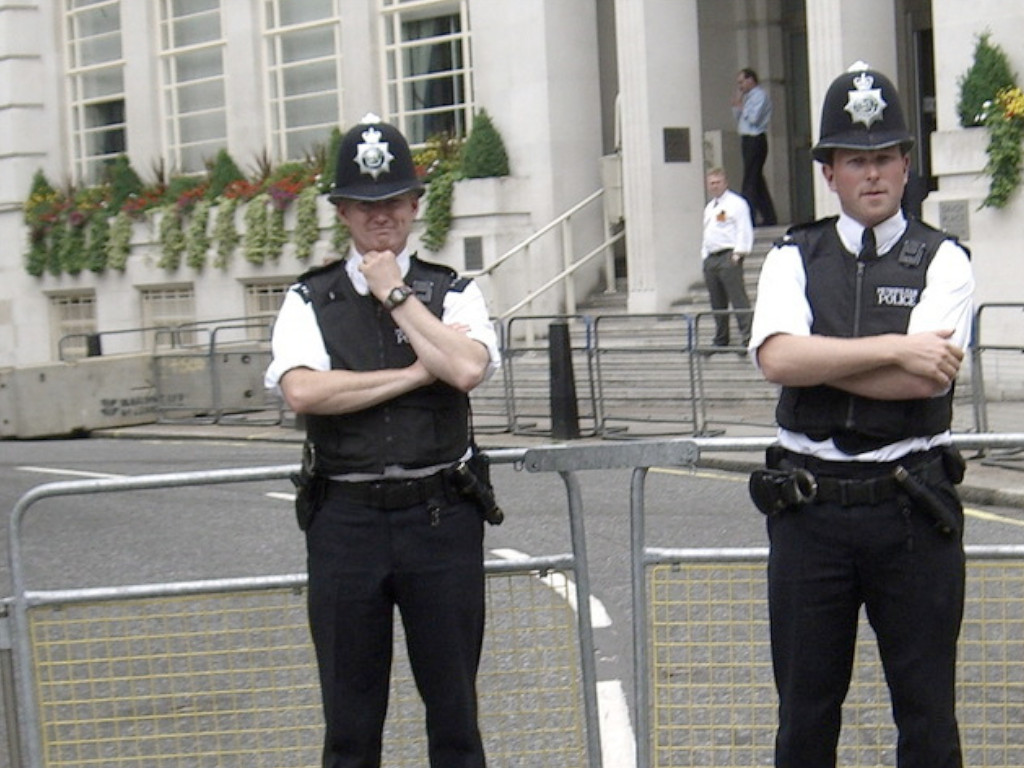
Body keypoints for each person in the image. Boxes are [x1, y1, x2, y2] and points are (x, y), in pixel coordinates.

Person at [748, 62, 974, 768]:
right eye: (855, 160)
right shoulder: (793, 254)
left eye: (883, 158)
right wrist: (894, 348)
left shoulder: (945, 259)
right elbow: (779, 361)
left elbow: (924, 384)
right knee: (806, 718)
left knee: (928, 714)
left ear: (906, 165)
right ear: (829, 172)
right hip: (808, 512)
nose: (871, 174)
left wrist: (831, 361)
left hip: (910, 507)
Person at [265, 113, 500, 768]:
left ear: (415, 205)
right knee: (350, 725)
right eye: (364, 205)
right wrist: (413, 373)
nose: (380, 217)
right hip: (345, 524)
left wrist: (395, 292)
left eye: (392, 200)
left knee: (455, 719)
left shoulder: (452, 291)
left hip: (441, 519)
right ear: (341, 210)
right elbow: (305, 393)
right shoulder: (309, 300)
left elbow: (468, 369)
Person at [701, 167, 753, 350]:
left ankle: (747, 337)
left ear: (725, 183)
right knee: (717, 301)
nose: (714, 186)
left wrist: (739, 253)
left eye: (717, 182)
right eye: (711, 183)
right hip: (712, 257)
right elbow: (707, 233)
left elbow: (743, 228)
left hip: (728, 255)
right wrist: (704, 256)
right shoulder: (710, 207)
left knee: (738, 298)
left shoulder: (736, 203)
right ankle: (721, 338)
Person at [732, 67, 778, 227]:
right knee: (757, 180)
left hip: (755, 139)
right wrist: (738, 105)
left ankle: (748, 217)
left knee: (750, 180)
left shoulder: (759, 96)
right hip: (746, 138)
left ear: (750, 80)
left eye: (741, 82)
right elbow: (738, 118)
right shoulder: (746, 98)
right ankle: (769, 216)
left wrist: (742, 108)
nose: (740, 86)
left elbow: (754, 118)